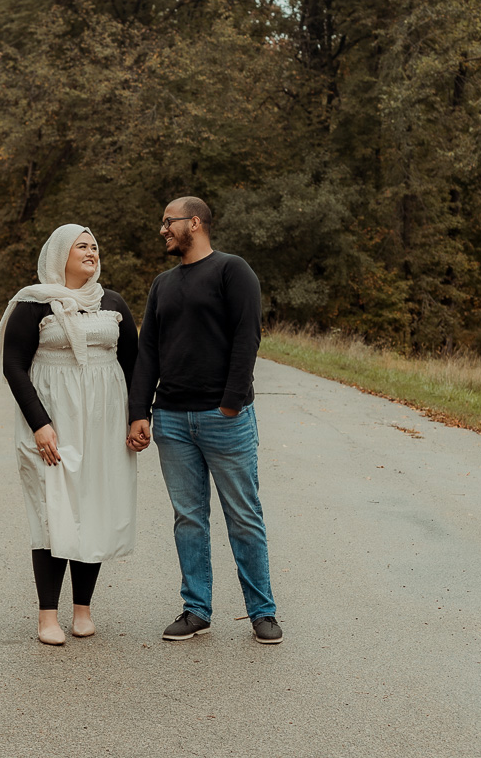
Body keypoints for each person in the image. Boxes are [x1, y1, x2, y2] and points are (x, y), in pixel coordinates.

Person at [126, 196, 282, 645]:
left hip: (224, 418)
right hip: (172, 420)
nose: (163, 230)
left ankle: (262, 613)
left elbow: (246, 336)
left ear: (194, 223)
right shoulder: (162, 284)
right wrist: (140, 411)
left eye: (168, 222)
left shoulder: (233, 271)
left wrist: (230, 403)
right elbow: (148, 350)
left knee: (244, 516)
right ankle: (197, 609)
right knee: (188, 518)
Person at [0, 224, 139, 645]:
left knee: (92, 507)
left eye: (95, 246)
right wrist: (40, 424)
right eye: (82, 246)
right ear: (60, 254)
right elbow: (14, 366)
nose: (92, 252)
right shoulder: (33, 302)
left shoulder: (112, 303)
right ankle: (46, 617)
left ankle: (83, 611)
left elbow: (133, 361)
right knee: (52, 511)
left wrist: (136, 415)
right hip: (52, 421)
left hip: (103, 422)